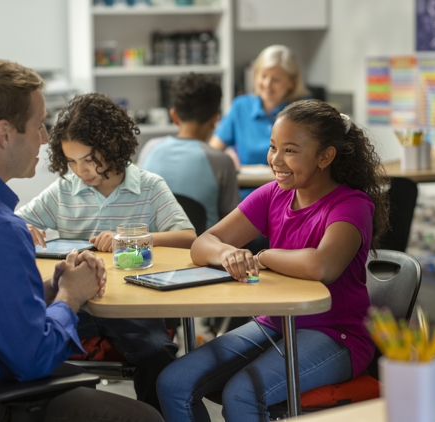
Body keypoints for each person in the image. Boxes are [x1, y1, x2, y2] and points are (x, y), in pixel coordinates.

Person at [156, 99, 390, 422]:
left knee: (242, 395)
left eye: (290, 150)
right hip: (275, 323)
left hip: (337, 336)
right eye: (272, 147)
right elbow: (202, 244)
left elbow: (323, 266)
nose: (275, 160)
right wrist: (228, 253)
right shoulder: (273, 195)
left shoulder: (352, 205)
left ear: (326, 156)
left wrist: (264, 256)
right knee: (173, 383)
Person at [0, 58, 163, 422]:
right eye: (38, 125)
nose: (45, 137)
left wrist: (51, 287)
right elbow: (33, 358)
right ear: (4, 134)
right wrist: (71, 296)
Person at [15, 92, 196, 412]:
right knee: (26, 343)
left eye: (88, 159)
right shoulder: (64, 190)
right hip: (80, 302)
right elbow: (17, 221)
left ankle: (154, 416)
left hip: (134, 303)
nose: (80, 170)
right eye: (71, 161)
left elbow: (188, 238)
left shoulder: (149, 186)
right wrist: (21, 228)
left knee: (157, 353)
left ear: (112, 145)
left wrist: (131, 241)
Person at [138, 72, 240, 230]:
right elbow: (231, 225)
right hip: (202, 252)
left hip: (153, 250)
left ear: (174, 116)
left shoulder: (150, 148)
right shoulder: (221, 162)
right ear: (215, 119)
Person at [209, 44, 309, 171]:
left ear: (292, 82)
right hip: (247, 188)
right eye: (263, 76)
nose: (267, 84)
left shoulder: (305, 110)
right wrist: (227, 155)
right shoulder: (241, 106)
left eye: (276, 80)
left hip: (290, 188)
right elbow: (213, 150)